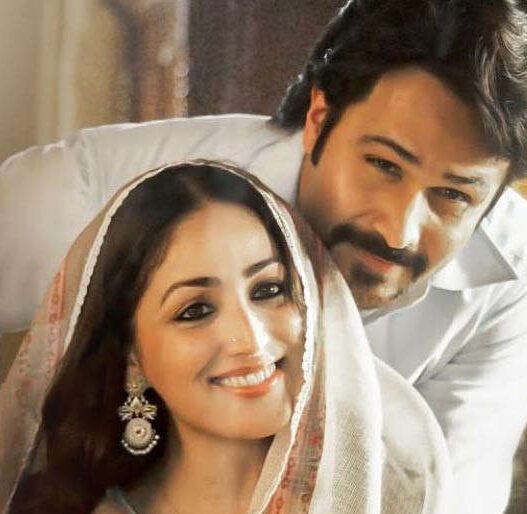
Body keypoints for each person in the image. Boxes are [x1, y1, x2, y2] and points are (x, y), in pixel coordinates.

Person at [1, 0, 526, 511]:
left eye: (453, 195)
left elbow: (452, 492)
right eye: (384, 165)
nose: (398, 231)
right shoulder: (93, 190)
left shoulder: (510, 275)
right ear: (318, 118)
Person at [0, 161, 450, 513]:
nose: (250, 339)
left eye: (268, 290)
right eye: (195, 311)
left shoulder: (391, 495)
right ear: (132, 355)